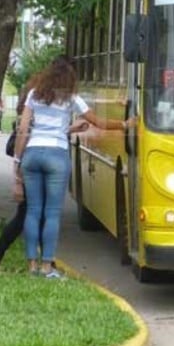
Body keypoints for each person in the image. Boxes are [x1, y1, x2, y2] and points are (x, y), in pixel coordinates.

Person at [13, 57, 129, 278]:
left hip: (33, 154)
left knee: (33, 211)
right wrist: (124, 124)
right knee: (52, 213)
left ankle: (31, 266)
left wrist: (18, 162)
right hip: (57, 155)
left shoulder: (34, 94)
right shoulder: (71, 98)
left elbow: (23, 129)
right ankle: (47, 267)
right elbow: (99, 123)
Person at [0, 68, 90, 272]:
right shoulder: (39, 101)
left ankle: (30, 261)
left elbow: (41, 132)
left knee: (30, 215)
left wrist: (70, 129)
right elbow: (27, 135)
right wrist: (18, 178)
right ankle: (0, 259)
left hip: (31, 161)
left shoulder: (38, 98)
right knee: (30, 215)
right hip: (34, 161)